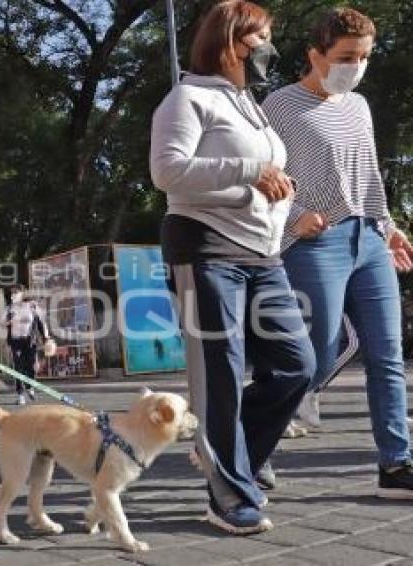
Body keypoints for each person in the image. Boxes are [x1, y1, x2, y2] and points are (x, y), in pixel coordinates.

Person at [149, 0, 316, 534]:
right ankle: (228, 494)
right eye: (260, 36)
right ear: (230, 42)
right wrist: (251, 171)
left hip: (262, 256)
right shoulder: (188, 97)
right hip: (205, 250)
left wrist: (279, 200)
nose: (268, 46)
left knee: (297, 365)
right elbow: (167, 172)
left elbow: (266, 176)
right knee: (219, 375)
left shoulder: (252, 105)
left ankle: (229, 451)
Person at [263, 7, 413, 498]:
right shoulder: (279, 106)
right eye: (346, 56)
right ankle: (248, 441)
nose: (357, 65)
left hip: (368, 239)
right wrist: (293, 216)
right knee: (313, 354)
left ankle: (395, 465)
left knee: (387, 354)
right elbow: (258, 178)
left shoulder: (360, 105)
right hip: (314, 244)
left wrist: (388, 229)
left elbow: (368, 177)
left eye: (365, 56)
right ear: (315, 55)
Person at [3, 285, 49, 405]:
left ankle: (29, 386)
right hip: (15, 341)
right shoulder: (9, 308)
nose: (13, 295)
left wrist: (46, 338)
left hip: (30, 341)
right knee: (18, 367)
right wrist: (9, 320)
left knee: (31, 367)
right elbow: (2, 323)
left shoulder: (32, 307)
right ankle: (20, 395)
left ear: (23, 294)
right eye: (12, 293)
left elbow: (41, 323)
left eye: (16, 293)